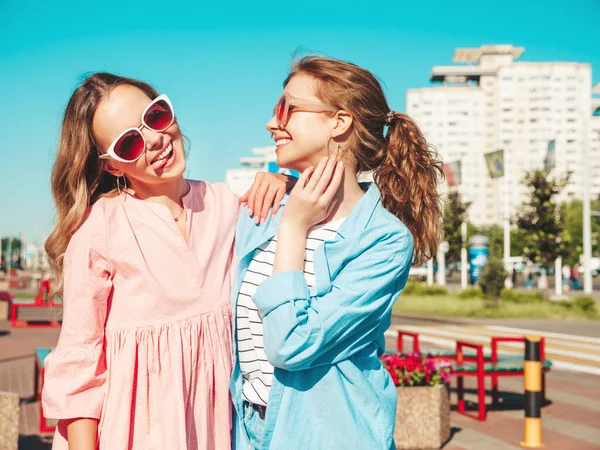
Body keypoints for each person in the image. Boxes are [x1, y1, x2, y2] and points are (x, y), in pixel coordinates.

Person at [41, 73, 289, 450]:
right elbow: (80, 359)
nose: (155, 139)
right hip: (130, 432)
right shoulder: (99, 229)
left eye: (155, 117)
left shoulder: (226, 204)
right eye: (129, 143)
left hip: (217, 426)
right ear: (112, 166)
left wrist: (283, 181)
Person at [230, 56, 444, 450]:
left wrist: (295, 227)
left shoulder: (383, 241)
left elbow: (292, 345)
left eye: (286, 108)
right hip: (250, 431)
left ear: (339, 122)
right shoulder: (263, 208)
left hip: (331, 434)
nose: (271, 122)